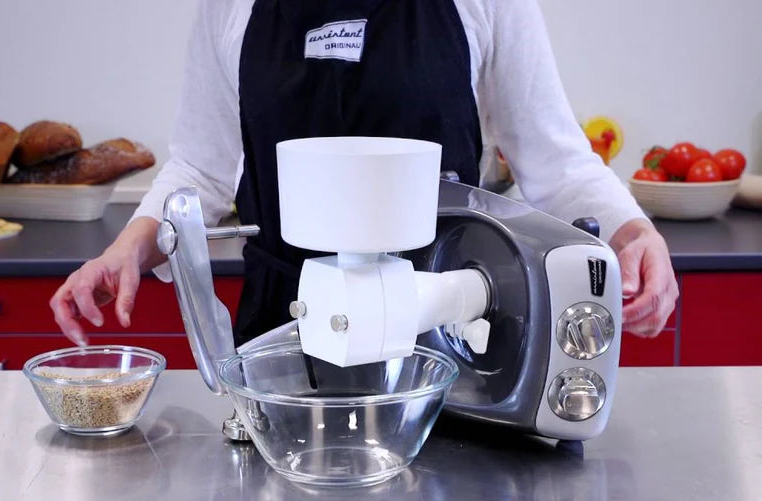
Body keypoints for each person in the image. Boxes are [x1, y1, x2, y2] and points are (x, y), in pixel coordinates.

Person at [50, 0, 678, 347]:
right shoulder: (230, 7)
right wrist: (130, 247)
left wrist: (633, 234)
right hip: (283, 332)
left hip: (445, 325)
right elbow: (200, 167)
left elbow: (557, 162)